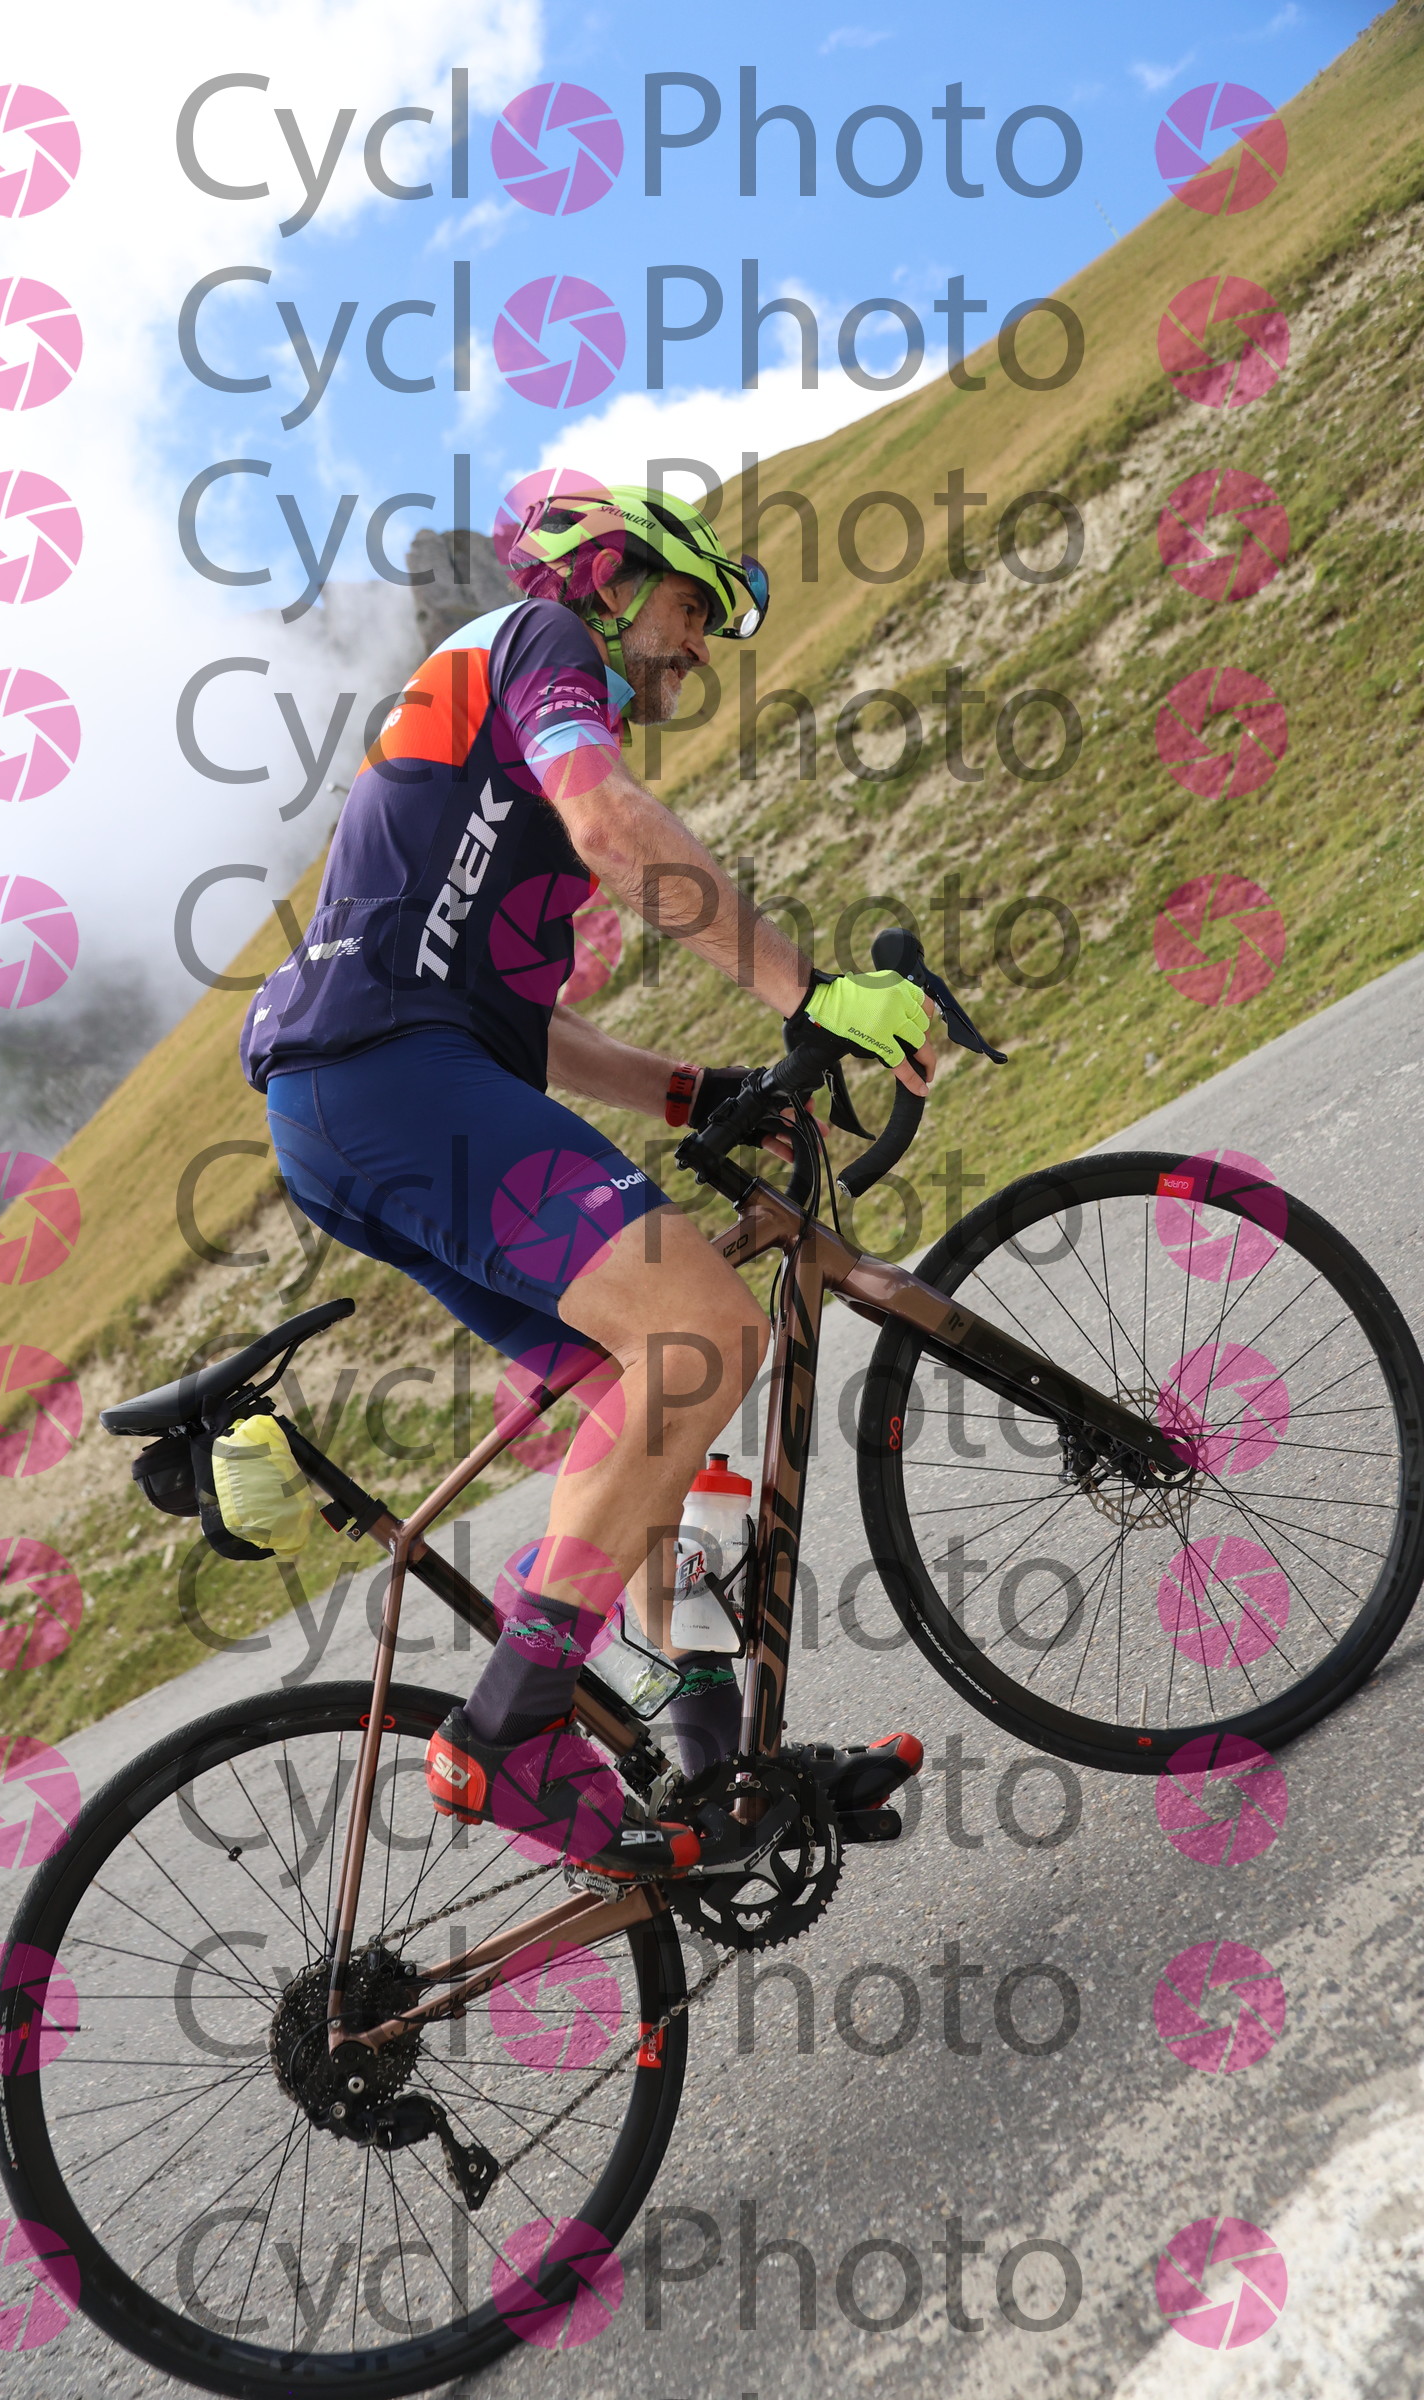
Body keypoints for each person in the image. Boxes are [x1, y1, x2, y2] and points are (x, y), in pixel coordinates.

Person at [242, 477, 927, 1877]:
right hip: (388, 1078)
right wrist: (809, 995)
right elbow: (613, 827)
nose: (697, 649)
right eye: (687, 609)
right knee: (704, 1332)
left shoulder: (487, 742)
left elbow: (518, 1023)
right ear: (607, 580)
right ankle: (511, 1727)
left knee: (661, 1396)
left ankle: (718, 1766)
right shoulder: (543, 645)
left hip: (358, 1096)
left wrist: (693, 1090)